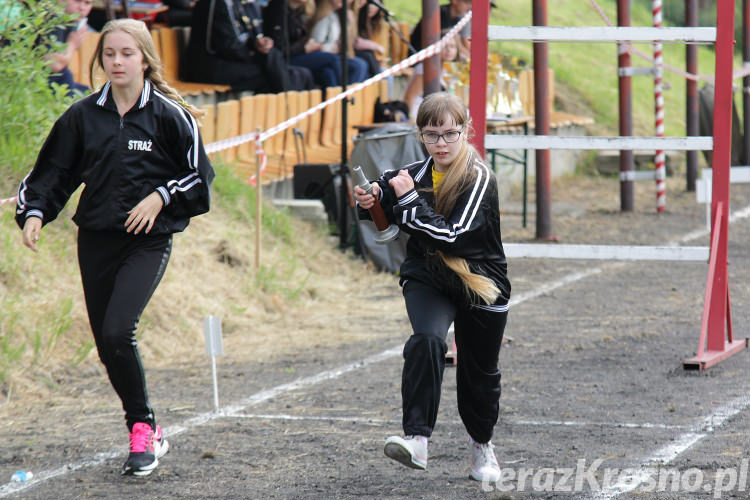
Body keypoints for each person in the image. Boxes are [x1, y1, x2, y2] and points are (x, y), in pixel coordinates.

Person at [15, 19, 214, 477]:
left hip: (147, 242)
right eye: (109, 54)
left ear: (144, 57)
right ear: (100, 59)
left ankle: (141, 429)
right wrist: (35, 213)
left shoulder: (169, 114)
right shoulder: (83, 116)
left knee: (118, 330)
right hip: (96, 238)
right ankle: (150, 428)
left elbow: (199, 181)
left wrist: (161, 195)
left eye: (127, 53)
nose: (117, 61)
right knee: (107, 343)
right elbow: (53, 172)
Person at [353, 92, 510, 483]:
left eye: (449, 134)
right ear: (419, 135)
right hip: (428, 275)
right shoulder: (411, 174)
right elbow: (380, 203)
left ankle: (482, 446)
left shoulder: (479, 179)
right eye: (431, 135)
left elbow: (452, 236)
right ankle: (417, 439)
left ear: (466, 131)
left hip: (481, 280)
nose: (441, 144)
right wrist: (368, 197)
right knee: (426, 340)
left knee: (480, 373)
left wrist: (404, 201)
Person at [185, 0, 313, 92]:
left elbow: (245, 38)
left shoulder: (245, 3)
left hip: (232, 61)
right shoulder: (216, 3)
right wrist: (254, 52)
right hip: (210, 68)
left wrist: (257, 44)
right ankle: (282, 120)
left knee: (297, 73)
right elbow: (227, 46)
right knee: (274, 76)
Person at [264, 0, 344, 88]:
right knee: (334, 59)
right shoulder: (278, 9)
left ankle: (335, 99)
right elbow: (280, 48)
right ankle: (344, 94)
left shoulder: (298, 11)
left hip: (298, 54)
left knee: (328, 72)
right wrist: (304, 48)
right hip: (283, 59)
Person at [402, 31, 458, 120]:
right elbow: (409, 97)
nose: (449, 50)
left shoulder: (446, 69)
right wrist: (410, 119)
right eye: (445, 46)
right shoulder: (425, 68)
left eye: (452, 46)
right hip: (419, 112)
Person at [308, 0, 368, 83]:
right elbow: (316, 44)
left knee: (361, 63)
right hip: (323, 55)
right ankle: (344, 93)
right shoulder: (323, 17)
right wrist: (333, 48)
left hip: (333, 56)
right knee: (357, 65)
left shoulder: (336, 16)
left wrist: (349, 26)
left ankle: (349, 93)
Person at [46, 0, 94, 96]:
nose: (82, 8)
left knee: (89, 94)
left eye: (87, 3)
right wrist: (72, 44)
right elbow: (54, 65)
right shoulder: (51, 17)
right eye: (78, 1)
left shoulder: (71, 23)